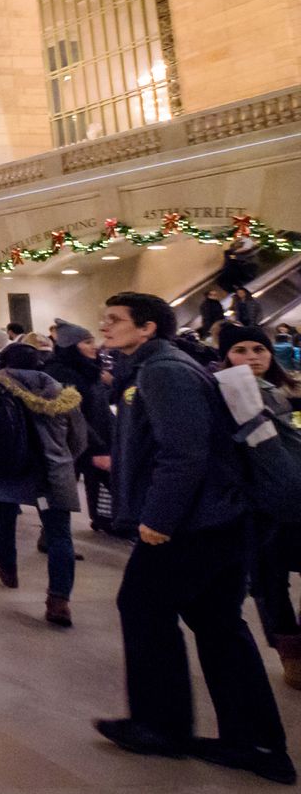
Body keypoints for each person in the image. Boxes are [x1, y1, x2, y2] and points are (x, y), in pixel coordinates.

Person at [94, 292, 292, 784]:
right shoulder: (161, 366)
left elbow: (184, 453)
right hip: (220, 518)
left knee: (143, 607)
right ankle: (255, 743)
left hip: (195, 523)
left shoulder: (163, 371)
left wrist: (159, 518)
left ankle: (161, 727)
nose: (105, 327)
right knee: (218, 623)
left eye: (115, 320)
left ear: (147, 328)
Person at [0, 343, 88, 627]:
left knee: (3, 518)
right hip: (51, 473)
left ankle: (8, 568)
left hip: (2, 468)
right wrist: (62, 458)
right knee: (59, 535)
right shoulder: (60, 393)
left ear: (2, 363)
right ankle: (59, 601)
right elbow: (79, 437)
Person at [218, 322, 301, 691]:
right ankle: (291, 653)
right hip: (261, 502)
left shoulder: (278, 390)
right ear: (226, 356)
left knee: (272, 576)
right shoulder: (230, 391)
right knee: (270, 577)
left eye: (259, 349)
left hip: (290, 493)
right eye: (241, 350)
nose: (252, 357)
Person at [46, 320, 114, 533]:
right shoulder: (60, 373)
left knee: (106, 484)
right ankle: (54, 538)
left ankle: (108, 521)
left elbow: (100, 409)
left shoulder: (89, 370)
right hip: (70, 444)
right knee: (61, 496)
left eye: (92, 341)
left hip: (93, 441)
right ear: (71, 347)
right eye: (87, 342)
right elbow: (73, 417)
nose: (94, 346)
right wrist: (97, 448)